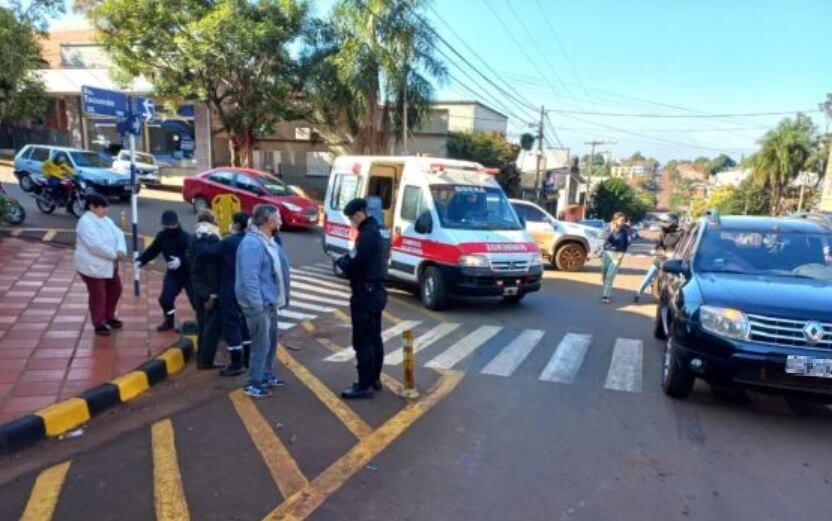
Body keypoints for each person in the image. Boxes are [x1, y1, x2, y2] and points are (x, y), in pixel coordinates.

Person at [235, 205, 291, 398]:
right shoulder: (252, 244)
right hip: (258, 305)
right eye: (279, 218)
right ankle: (253, 382)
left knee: (271, 341)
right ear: (269, 221)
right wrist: (257, 306)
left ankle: (265, 375)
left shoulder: (270, 240)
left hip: (270, 302)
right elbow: (248, 279)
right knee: (261, 344)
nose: (281, 221)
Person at [336, 198, 387, 399]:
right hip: (378, 290)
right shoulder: (382, 230)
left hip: (365, 293)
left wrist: (342, 263)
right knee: (375, 338)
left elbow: (355, 261)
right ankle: (374, 379)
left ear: (359, 213)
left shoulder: (367, 235)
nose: (351, 222)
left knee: (363, 340)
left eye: (351, 218)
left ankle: (364, 385)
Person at [74, 193, 126, 336]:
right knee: (98, 294)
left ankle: (109, 316)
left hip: (109, 265)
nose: (106, 210)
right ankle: (99, 322)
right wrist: (114, 254)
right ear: (92, 207)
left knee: (116, 289)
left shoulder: (106, 220)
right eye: (103, 207)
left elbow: (119, 234)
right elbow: (94, 245)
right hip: (92, 266)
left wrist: (121, 249)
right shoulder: (85, 222)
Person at [207, 211, 252, 377]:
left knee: (231, 323)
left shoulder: (229, 242)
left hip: (229, 287)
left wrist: (209, 237)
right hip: (246, 288)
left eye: (233, 222)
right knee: (242, 322)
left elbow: (208, 253)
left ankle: (236, 362)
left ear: (238, 225)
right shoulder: (250, 241)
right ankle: (247, 358)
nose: (231, 225)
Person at [136, 210, 194, 331]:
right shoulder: (162, 236)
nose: (169, 227)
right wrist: (141, 260)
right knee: (165, 299)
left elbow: (193, 256)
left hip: (189, 274)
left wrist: (181, 261)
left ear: (177, 223)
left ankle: (202, 324)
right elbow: (153, 250)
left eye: (171, 225)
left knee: (196, 301)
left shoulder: (186, 237)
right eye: (166, 225)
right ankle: (169, 319)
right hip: (173, 274)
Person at [189, 209, 223, 370]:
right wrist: (212, 294)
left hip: (197, 287)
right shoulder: (212, 238)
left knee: (202, 322)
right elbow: (212, 270)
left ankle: (201, 354)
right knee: (211, 326)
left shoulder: (194, 237)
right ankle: (205, 359)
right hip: (208, 290)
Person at [633, 213, 683, 303]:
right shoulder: (663, 232)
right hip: (661, 258)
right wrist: (655, 249)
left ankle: (676, 298)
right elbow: (658, 244)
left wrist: (676, 254)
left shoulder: (680, 233)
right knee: (649, 275)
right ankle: (638, 294)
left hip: (672, 260)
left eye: (666, 222)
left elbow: (682, 246)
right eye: (663, 222)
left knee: (677, 278)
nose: (664, 224)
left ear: (673, 222)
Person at [601, 212, 630, 304]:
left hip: (617, 255)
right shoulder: (608, 228)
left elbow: (626, 244)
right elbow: (605, 241)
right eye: (621, 220)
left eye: (624, 220)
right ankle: (607, 290)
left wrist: (623, 253)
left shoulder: (624, 231)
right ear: (615, 220)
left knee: (610, 276)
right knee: (605, 275)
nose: (623, 222)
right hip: (607, 253)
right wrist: (611, 231)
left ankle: (605, 296)